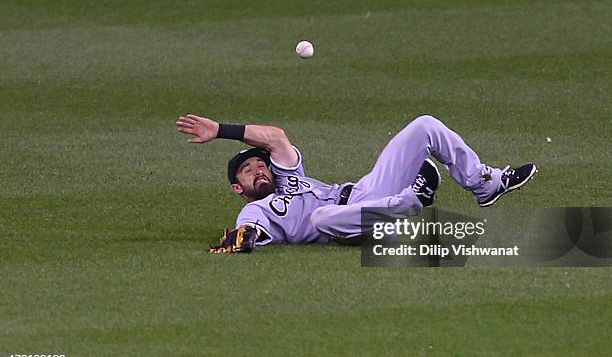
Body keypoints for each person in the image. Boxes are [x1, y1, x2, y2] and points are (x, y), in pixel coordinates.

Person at [176, 114, 536, 247]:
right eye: (247, 170)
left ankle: (485, 183)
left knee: (424, 126)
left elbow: (275, 137)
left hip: (366, 195)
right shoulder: (258, 210)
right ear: (237, 188)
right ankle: (413, 200)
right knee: (320, 217)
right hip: (349, 227)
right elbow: (247, 231)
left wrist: (221, 130)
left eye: (259, 164)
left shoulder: (289, 176)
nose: (258, 169)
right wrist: (245, 238)